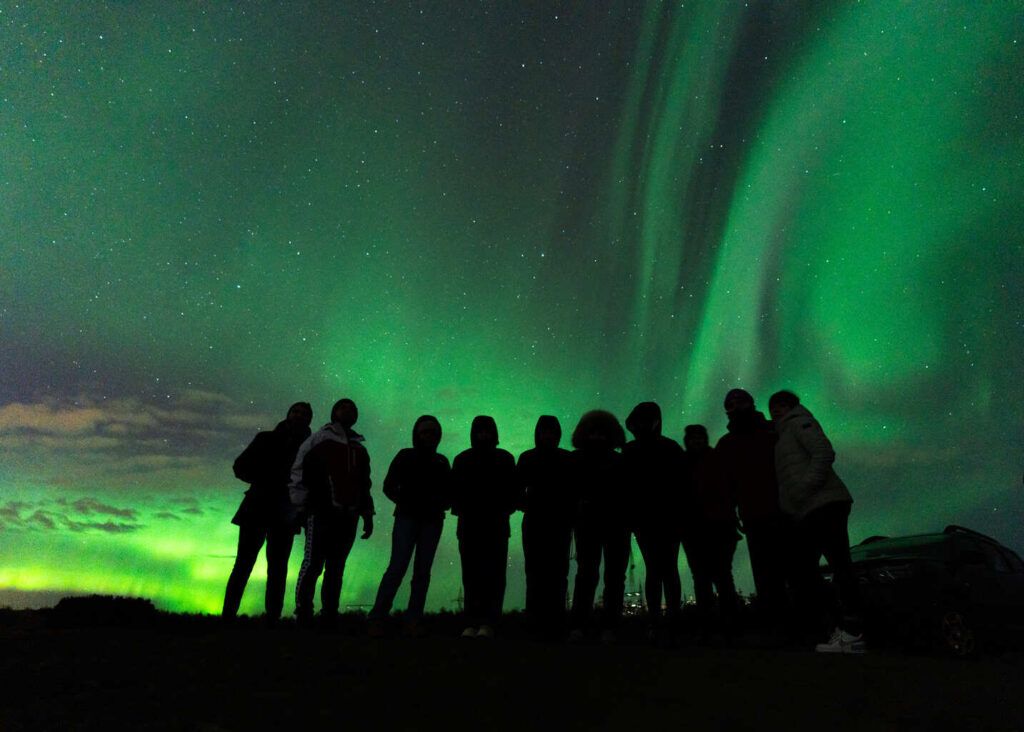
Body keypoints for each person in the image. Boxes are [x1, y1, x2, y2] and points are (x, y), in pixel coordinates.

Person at [768, 390, 863, 654]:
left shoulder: (799, 423)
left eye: (781, 405)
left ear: (792, 406)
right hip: (810, 509)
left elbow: (823, 452)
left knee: (836, 565)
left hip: (825, 504)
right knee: (808, 570)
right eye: (772, 407)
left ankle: (852, 633)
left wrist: (801, 490)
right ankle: (842, 630)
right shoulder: (783, 434)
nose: (776, 410)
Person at [222, 401, 313, 623]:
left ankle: (271, 618)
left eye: (303, 413)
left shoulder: (310, 448)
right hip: (259, 506)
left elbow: (311, 481)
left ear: (308, 420)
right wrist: (265, 481)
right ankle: (228, 617)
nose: (298, 416)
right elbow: (240, 466)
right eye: (295, 411)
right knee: (244, 563)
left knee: (277, 567)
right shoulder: (266, 439)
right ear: (288, 414)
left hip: (285, 511)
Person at [290, 398, 374, 628]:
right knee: (313, 563)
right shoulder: (319, 439)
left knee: (336, 567)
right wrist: (299, 506)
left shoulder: (359, 449)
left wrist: (367, 513)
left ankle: (329, 614)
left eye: (352, 408)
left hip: (349, 515)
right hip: (320, 511)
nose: (348, 410)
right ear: (333, 411)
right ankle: (304, 612)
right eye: (342, 406)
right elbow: (299, 470)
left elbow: (364, 483)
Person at [367, 415, 451, 638]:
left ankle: (412, 621)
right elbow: (388, 486)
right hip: (407, 518)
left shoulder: (442, 461)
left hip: (432, 521)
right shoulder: (406, 456)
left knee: (422, 571)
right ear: (417, 434)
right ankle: (378, 618)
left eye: (433, 432)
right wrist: (406, 502)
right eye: (425, 431)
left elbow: (449, 491)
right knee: (397, 567)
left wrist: (441, 503)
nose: (430, 435)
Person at [715, 388, 790, 632]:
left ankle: (802, 624)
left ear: (750, 403)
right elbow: (724, 483)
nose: (736, 406)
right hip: (754, 513)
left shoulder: (774, 430)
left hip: (786, 508)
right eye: (731, 404)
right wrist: (731, 511)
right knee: (765, 572)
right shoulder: (727, 443)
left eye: (740, 401)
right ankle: (777, 627)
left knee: (794, 568)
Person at [622, 402, 688, 643]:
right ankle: (663, 622)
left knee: (663, 570)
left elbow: (683, 485)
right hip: (650, 521)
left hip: (662, 520)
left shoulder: (637, 450)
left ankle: (665, 623)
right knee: (662, 570)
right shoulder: (668, 448)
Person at [450, 415, 518, 638]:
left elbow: (512, 492)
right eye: (480, 431)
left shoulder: (505, 459)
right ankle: (472, 621)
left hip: (495, 526)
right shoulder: (462, 460)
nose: (483, 435)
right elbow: (455, 492)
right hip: (471, 526)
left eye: (487, 431)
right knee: (471, 576)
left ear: (494, 434)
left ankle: (489, 622)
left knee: (494, 576)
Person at [568, 409, 629, 643]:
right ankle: (584, 626)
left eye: (601, 433)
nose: (597, 437)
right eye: (593, 432)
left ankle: (605, 626)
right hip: (590, 525)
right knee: (588, 575)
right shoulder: (577, 460)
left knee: (610, 577)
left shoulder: (619, 461)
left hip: (614, 525)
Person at [516, 415, 575, 640]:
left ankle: (553, 622)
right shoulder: (528, 458)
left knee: (557, 572)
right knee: (536, 572)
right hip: (537, 522)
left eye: (552, 432)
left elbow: (574, 490)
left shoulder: (565, 459)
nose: (548, 436)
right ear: (539, 434)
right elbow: (516, 490)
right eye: (545, 432)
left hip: (557, 523)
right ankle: (537, 621)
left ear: (558, 434)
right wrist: (528, 505)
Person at [682, 424, 740, 639]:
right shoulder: (693, 461)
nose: (696, 441)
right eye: (692, 438)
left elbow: (730, 488)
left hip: (717, 526)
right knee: (706, 577)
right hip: (697, 528)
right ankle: (715, 625)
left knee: (720, 575)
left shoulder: (715, 460)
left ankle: (724, 625)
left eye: (700, 437)